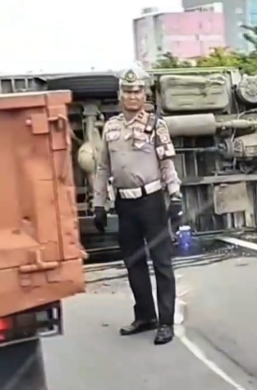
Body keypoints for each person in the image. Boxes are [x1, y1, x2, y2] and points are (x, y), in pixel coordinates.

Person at [92, 67, 183, 345]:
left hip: (152, 202)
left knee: (162, 263)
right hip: (125, 204)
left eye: (137, 91)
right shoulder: (110, 127)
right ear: (120, 95)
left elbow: (166, 164)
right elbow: (102, 168)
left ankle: (165, 322)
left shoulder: (156, 125)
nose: (132, 96)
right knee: (133, 263)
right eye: (127, 91)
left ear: (145, 94)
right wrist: (98, 204)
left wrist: (175, 196)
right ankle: (145, 315)